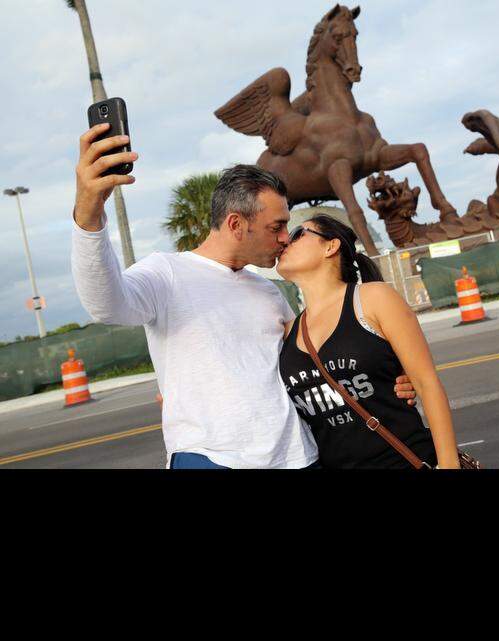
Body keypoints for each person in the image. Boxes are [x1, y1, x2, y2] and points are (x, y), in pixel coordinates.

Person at [70, 123, 417, 469]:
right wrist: (88, 215)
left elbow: (322, 362)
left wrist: (390, 379)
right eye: (276, 227)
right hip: (213, 458)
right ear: (236, 225)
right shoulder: (166, 273)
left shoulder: (268, 291)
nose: (285, 238)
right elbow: (106, 304)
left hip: (300, 458)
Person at [276, 215, 461, 468]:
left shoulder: (373, 299)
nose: (285, 240)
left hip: (405, 460)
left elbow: (426, 383)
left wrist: (449, 465)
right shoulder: (289, 331)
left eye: (298, 233)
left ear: (330, 246)